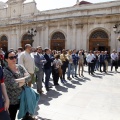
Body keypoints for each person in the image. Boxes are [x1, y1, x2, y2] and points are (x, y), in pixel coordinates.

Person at [4, 50, 31, 120]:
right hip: (12, 100)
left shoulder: (20, 67)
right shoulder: (5, 71)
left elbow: (29, 77)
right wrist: (24, 80)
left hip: (23, 97)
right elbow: (12, 85)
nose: (14, 59)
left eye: (15, 57)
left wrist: (17, 81)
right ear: (6, 59)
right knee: (11, 117)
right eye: (11, 58)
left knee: (26, 116)